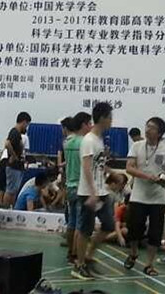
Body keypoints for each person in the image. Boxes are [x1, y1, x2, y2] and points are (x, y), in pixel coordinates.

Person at [124, 116, 165, 277]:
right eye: (147, 126)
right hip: (138, 195)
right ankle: (133, 253)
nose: (147, 129)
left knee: (155, 232)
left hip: (158, 197)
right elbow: (129, 168)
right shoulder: (137, 146)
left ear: (159, 133)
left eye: (152, 127)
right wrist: (147, 176)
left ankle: (149, 264)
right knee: (134, 229)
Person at [72, 101, 114, 281]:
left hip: (101, 191)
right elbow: (87, 167)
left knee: (109, 225)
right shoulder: (89, 140)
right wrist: (92, 192)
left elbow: (98, 166)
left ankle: (88, 256)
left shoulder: (99, 140)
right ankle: (79, 265)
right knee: (85, 230)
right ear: (102, 118)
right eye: (110, 117)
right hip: (88, 193)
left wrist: (112, 174)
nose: (111, 121)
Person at [64, 111, 92, 263]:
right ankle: (76, 255)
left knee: (71, 222)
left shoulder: (68, 142)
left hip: (70, 185)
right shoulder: (84, 142)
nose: (91, 126)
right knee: (80, 226)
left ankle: (70, 253)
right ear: (83, 124)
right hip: (81, 187)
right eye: (89, 123)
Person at [2, 112, 32, 208]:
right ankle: (5, 209)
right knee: (10, 190)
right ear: (23, 122)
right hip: (13, 166)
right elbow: (7, 144)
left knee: (13, 190)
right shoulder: (14, 132)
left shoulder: (17, 134)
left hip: (17, 166)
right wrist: (14, 156)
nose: (26, 127)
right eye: (27, 124)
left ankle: (10, 208)